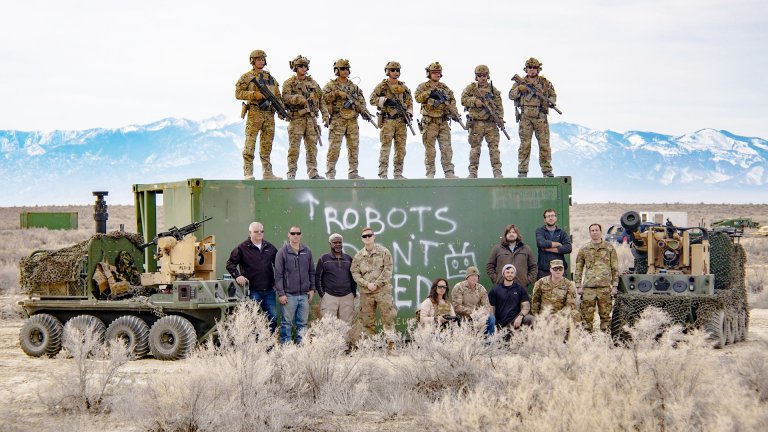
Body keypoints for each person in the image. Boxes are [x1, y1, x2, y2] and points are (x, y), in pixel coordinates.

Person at [235, 49, 283, 180]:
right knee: (250, 143)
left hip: (269, 114)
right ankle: (248, 172)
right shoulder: (247, 77)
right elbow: (238, 93)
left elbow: (278, 97)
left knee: (267, 145)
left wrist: (281, 109)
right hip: (255, 112)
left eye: (263, 59)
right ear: (252, 61)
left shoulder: (271, 78)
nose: (261, 61)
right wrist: (253, 95)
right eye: (258, 59)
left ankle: (267, 173)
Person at [226, 222, 279, 332]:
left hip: (269, 290)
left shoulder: (270, 248)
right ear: (250, 233)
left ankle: (270, 346)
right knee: (252, 319)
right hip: (252, 291)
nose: (259, 233)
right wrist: (237, 276)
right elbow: (230, 264)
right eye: (256, 231)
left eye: (262, 231)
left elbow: (279, 266)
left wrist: (277, 282)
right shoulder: (241, 248)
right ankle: (254, 346)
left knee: (273, 318)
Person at [508, 57, 557, 178]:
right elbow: (511, 95)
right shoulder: (519, 82)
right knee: (525, 145)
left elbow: (553, 96)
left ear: (538, 69)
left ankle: (547, 170)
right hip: (525, 117)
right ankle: (522, 171)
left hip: (540, 116)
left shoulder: (545, 83)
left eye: (534, 67)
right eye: (530, 67)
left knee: (544, 145)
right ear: (526, 69)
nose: (532, 70)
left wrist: (550, 101)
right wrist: (519, 89)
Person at [282, 55, 328, 180]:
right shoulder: (289, 83)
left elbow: (321, 100)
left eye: (305, 66)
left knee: (312, 147)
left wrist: (325, 114)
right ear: (295, 68)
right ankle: (291, 172)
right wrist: (298, 99)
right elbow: (285, 98)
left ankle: (313, 172)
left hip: (311, 119)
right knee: (294, 147)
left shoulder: (313, 83)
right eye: (300, 66)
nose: (303, 68)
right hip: (297, 118)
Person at [322, 59, 366, 180]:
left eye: (347, 69)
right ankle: (330, 173)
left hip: (352, 119)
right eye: (342, 69)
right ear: (336, 70)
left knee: (354, 147)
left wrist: (361, 109)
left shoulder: (354, 87)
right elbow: (322, 99)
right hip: (337, 119)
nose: (345, 71)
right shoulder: (331, 86)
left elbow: (362, 102)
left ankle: (353, 172)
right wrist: (336, 94)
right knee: (334, 147)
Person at [414, 62, 459, 179]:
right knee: (430, 150)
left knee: (446, 148)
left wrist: (454, 113)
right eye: (434, 72)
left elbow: (452, 100)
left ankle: (449, 172)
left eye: (438, 73)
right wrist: (430, 93)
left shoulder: (444, 88)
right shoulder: (423, 87)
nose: (437, 75)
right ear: (429, 74)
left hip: (443, 122)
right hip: (430, 122)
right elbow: (418, 98)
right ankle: (430, 173)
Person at [369, 61, 414, 179]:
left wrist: (409, 113)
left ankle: (398, 173)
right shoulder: (382, 86)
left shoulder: (404, 88)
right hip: (388, 120)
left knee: (401, 149)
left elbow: (410, 102)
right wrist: (385, 100)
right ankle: (383, 173)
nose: (395, 72)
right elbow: (372, 99)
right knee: (385, 148)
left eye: (397, 70)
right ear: (388, 72)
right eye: (393, 70)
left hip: (401, 121)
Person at [350, 227, 396, 337]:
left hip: (383, 292)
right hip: (366, 293)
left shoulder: (384, 252)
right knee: (367, 322)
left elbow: (388, 270)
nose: (367, 238)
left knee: (388, 319)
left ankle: (391, 346)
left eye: (369, 235)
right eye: (364, 236)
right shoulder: (358, 256)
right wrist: (367, 284)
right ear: (361, 239)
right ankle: (370, 347)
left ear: (374, 236)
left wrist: (376, 284)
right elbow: (355, 272)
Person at [460, 65, 504, 179]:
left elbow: (499, 107)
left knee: (494, 149)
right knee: (475, 149)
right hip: (476, 123)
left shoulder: (494, 90)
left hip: (491, 123)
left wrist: (500, 120)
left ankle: (497, 171)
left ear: (488, 76)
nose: (482, 78)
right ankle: (473, 172)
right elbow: (463, 100)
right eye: (479, 76)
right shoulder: (471, 89)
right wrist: (474, 101)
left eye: (484, 75)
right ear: (476, 77)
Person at [574, 223, 619, 332]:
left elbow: (615, 267)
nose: (594, 232)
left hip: (605, 288)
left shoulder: (609, 247)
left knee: (605, 316)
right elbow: (578, 268)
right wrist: (578, 286)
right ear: (590, 233)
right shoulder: (584, 249)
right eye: (592, 230)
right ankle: (587, 341)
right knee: (586, 317)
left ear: (600, 231)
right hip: (588, 288)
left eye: (596, 230)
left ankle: (605, 341)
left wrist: (615, 285)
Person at [274, 226, 315, 344]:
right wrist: (281, 293)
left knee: (302, 323)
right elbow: (278, 275)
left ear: (301, 235)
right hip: (289, 295)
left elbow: (311, 271)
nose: (295, 235)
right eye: (293, 233)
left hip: (304, 295)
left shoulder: (307, 251)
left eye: (298, 233)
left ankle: (301, 347)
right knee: (286, 323)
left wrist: (312, 289)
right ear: (288, 235)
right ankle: (286, 347)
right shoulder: (282, 252)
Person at [315, 233, 356, 325]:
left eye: (339, 242)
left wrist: (353, 293)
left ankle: (344, 340)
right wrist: (322, 294)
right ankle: (330, 340)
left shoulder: (349, 259)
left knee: (346, 324)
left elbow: (353, 277)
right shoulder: (323, 259)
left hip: (347, 297)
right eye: (335, 242)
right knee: (328, 324)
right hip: (329, 296)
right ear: (330, 244)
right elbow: (318, 277)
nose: (337, 244)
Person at [486, 224, 537, 291]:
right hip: (502, 288)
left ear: (517, 234)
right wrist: (497, 280)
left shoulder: (526, 249)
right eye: (509, 232)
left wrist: (527, 280)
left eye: (514, 232)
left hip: (521, 288)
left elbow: (533, 267)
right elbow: (489, 266)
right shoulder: (497, 248)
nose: (511, 234)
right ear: (505, 235)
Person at [530, 259, 581, 324]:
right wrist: (537, 317)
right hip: (545, 314)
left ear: (563, 270)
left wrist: (558, 317)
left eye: (560, 268)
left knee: (575, 314)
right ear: (551, 270)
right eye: (555, 268)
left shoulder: (568, 284)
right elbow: (535, 301)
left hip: (561, 315)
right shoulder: (541, 282)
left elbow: (570, 305)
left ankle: (570, 333)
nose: (558, 271)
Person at [488, 264, 535, 330]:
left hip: (516, 323)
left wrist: (520, 317)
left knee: (531, 319)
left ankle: (530, 340)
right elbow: (490, 308)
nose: (510, 274)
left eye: (512, 272)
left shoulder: (520, 289)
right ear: (503, 274)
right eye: (507, 272)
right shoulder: (495, 290)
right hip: (501, 326)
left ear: (514, 274)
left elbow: (526, 306)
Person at [451, 266, 495, 334]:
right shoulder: (459, 287)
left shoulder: (481, 288)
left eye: (476, 276)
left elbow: (487, 305)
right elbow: (457, 307)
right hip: (463, 317)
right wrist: (473, 313)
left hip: (478, 317)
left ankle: (488, 342)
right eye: (471, 275)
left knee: (491, 319)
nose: (474, 277)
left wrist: (483, 313)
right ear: (467, 277)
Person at [535, 209, 572, 281]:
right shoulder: (540, 231)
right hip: (544, 271)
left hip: (559, 270)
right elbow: (541, 243)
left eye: (552, 216)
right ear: (544, 220)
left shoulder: (562, 232)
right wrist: (558, 244)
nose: (550, 218)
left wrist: (548, 249)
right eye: (548, 216)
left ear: (556, 218)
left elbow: (568, 248)